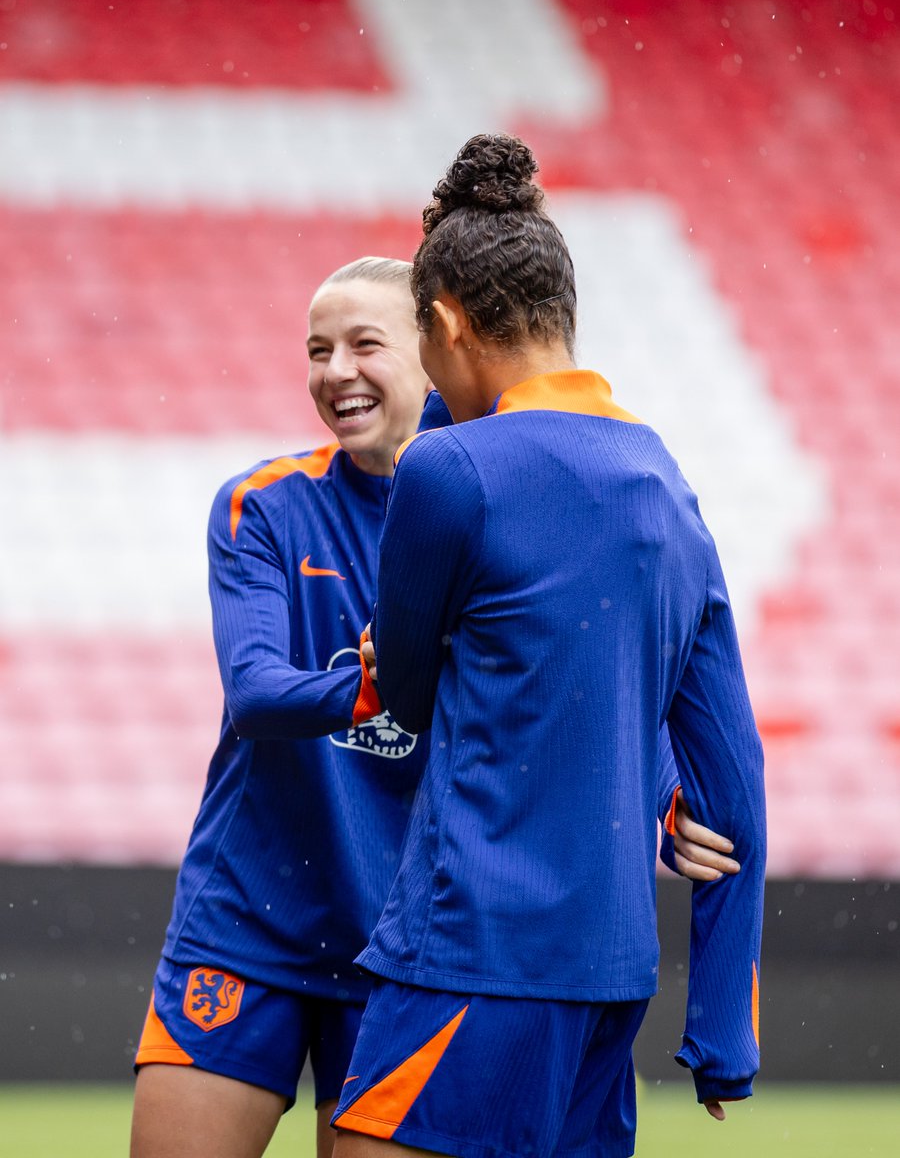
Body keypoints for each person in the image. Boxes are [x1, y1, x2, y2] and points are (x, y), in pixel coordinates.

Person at [130, 256, 739, 1158]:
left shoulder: (510, 507)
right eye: (318, 351)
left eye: (363, 344)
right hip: (248, 921)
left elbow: (574, 689)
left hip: (403, 942)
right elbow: (255, 691)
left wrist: (669, 794)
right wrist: (388, 678)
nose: (335, 371)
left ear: (433, 351)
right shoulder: (264, 504)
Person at [331, 136, 766, 1158]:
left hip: (472, 952)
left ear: (444, 324)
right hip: (610, 980)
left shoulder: (445, 469)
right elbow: (735, 781)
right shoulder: (668, 487)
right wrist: (722, 1033)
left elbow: (406, 700)